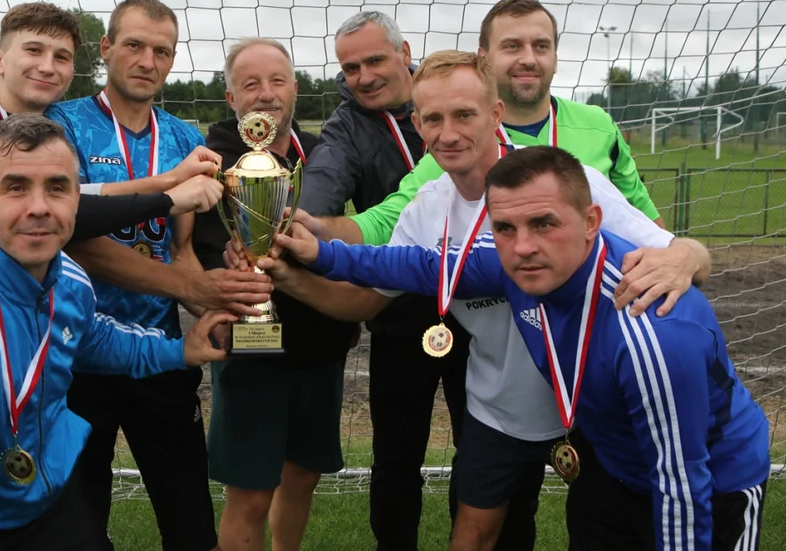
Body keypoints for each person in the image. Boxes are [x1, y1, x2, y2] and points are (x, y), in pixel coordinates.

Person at [250, 50, 710, 551]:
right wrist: (287, 279)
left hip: (589, 402)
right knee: (472, 534)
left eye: (464, 115)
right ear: (418, 125)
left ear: (495, 114)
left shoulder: (563, 183)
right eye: (433, 119)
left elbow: (682, 257)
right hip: (498, 407)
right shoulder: (426, 209)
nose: (449, 134)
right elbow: (365, 301)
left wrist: (688, 255)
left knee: (607, 530)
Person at [281, 145, 770, 551]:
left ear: (591, 222)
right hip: (614, 470)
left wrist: (690, 252)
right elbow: (416, 265)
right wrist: (319, 252)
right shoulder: (513, 264)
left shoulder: (650, 329)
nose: (523, 246)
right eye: (505, 228)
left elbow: (680, 485)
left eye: (544, 223)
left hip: (713, 483)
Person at [0, 2, 224, 530]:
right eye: (33, 50)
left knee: (50, 502)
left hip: (64, 332)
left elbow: (71, 202)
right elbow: (69, 217)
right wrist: (167, 192)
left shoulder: (60, 135)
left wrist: (215, 291)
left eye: (61, 56)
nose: (47, 66)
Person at [0, 114, 235, 550]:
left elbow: (92, 338)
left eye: (57, 188)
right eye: (15, 187)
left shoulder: (66, 274)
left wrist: (179, 351)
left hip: (54, 499)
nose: (39, 207)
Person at [48, 0, 272, 551]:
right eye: (134, 45)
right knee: (79, 527)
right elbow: (76, 240)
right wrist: (191, 286)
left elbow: (182, 251)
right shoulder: (62, 124)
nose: (147, 61)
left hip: (162, 353)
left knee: (191, 523)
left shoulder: (183, 138)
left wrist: (225, 309)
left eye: (162, 51)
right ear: (106, 49)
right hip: (78, 356)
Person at [298, 11, 470, 549]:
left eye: (375, 60)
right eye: (350, 68)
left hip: (481, 305)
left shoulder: (451, 94)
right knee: (396, 456)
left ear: (405, 53)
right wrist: (300, 222)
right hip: (396, 308)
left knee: (484, 450)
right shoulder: (346, 126)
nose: (364, 76)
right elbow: (323, 184)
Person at [303, 0, 662, 247]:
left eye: (541, 46)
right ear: (484, 57)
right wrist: (311, 227)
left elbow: (647, 222)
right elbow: (385, 221)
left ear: (555, 56)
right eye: (512, 46)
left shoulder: (599, 124)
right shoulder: (458, 147)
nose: (528, 59)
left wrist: (679, 255)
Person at [190, 38, 357, 551]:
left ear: (295, 88)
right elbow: (197, 250)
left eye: (277, 81)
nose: (266, 94)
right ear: (230, 97)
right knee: (251, 493)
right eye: (251, 84)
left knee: (302, 475)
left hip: (320, 344)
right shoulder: (211, 160)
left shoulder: (320, 154)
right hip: (252, 350)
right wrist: (226, 274)